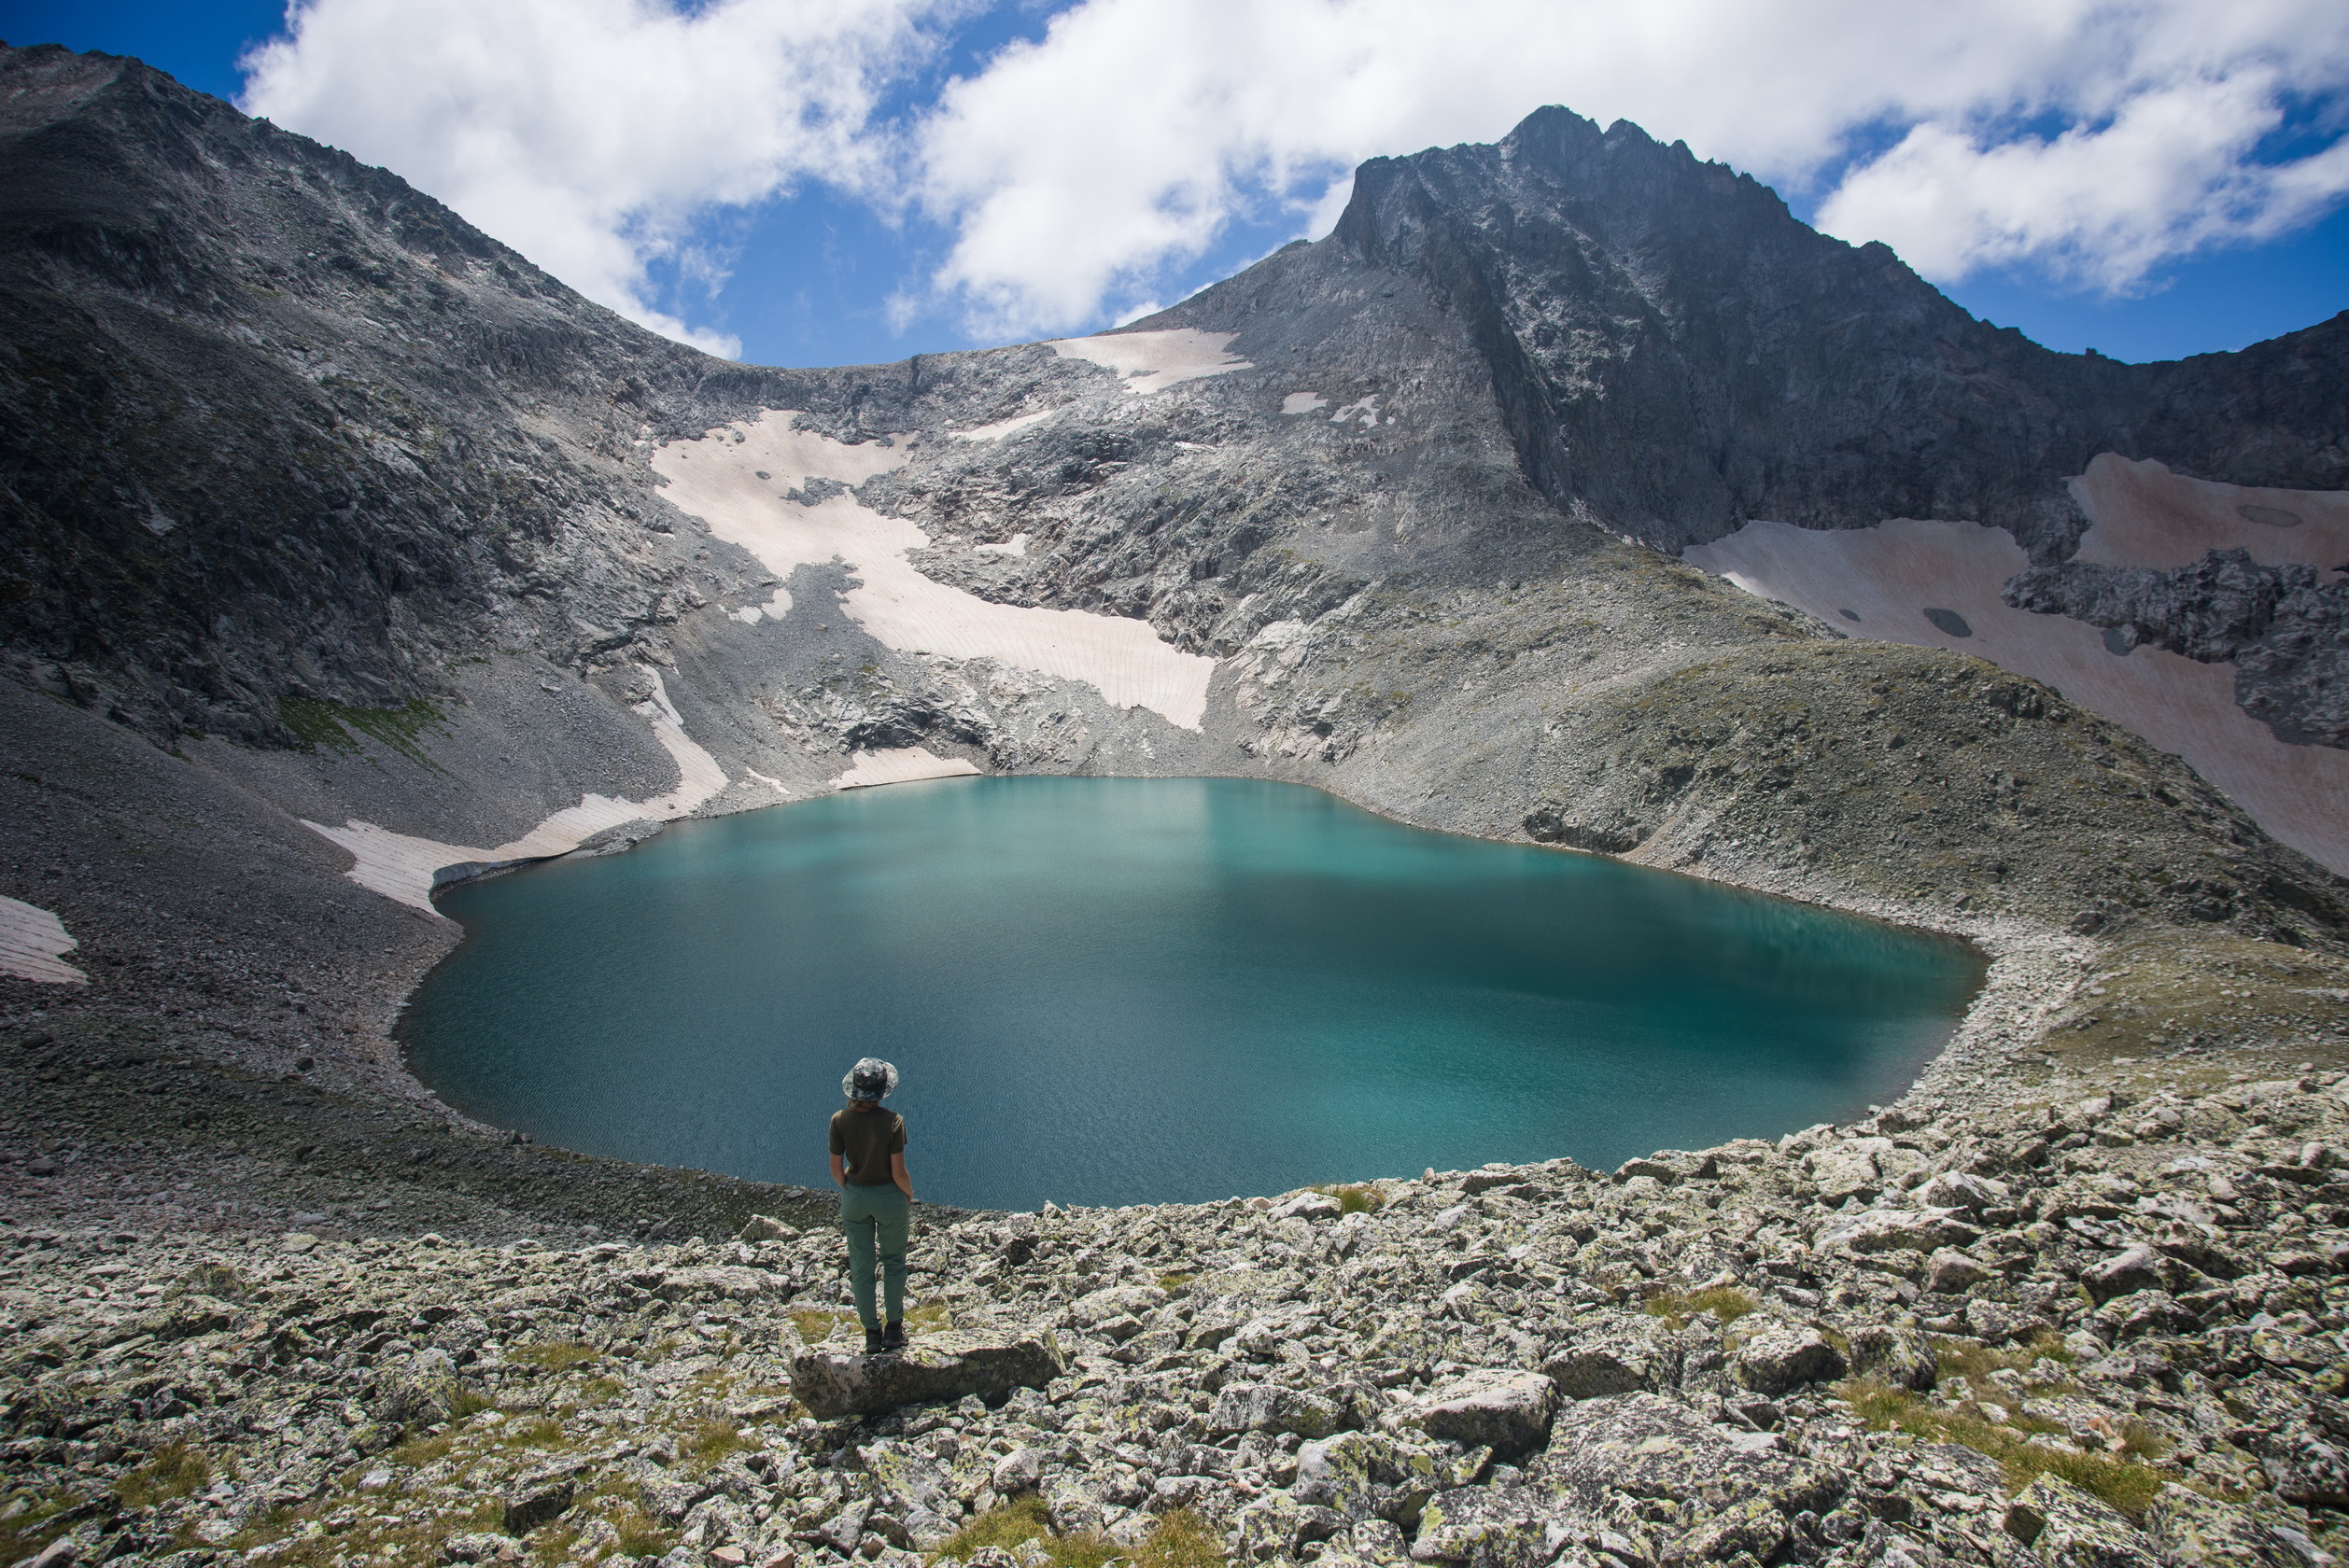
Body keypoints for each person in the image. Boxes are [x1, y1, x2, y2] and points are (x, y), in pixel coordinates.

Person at [829, 1057, 913, 1353]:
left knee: (862, 1266)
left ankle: (871, 1334)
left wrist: (852, 1189)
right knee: (893, 1262)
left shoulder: (839, 1121)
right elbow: (898, 1172)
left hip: (855, 1197)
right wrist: (908, 1194)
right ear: (881, 1092)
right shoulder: (894, 1122)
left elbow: (836, 1169)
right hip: (889, 1197)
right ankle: (894, 1330)